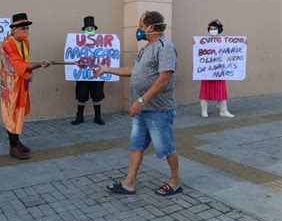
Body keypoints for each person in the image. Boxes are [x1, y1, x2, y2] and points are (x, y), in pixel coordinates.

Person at [95, 11, 182, 196]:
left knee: (166, 147)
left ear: (151, 27)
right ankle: (129, 183)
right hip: (142, 109)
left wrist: (142, 100)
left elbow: (164, 78)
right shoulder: (146, 48)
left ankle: (175, 182)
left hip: (158, 110)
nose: (139, 30)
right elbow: (132, 71)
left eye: (141, 26)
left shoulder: (164, 47)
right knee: (136, 145)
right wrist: (106, 69)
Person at [0, 13, 50, 160]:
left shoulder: (25, 42)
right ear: (13, 29)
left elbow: (25, 63)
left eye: (27, 28)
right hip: (11, 87)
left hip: (22, 82)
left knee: (19, 114)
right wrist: (40, 64)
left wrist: (37, 66)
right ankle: (13, 148)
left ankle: (17, 142)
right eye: (23, 28)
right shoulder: (8, 44)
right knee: (11, 115)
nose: (26, 31)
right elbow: (20, 65)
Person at [71, 16, 106, 125]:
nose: (90, 30)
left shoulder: (102, 42)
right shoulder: (77, 43)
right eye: (87, 28)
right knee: (81, 95)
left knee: (97, 95)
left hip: (96, 74)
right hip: (82, 74)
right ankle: (79, 116)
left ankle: (98, 117)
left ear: (95, 30)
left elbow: (106, 56)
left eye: (92, 28)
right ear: (84, 31)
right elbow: (73, 55)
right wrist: (74, 61)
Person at [199, 19, 235, 118]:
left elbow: (231, 51)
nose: (212, 30)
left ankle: (223, 111)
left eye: (214, 29)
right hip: (207, 70)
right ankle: (204, 110)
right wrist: (195, 43)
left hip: (219, 70)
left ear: (219, 30)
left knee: (221, 89)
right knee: (205, 89)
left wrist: (242, 43)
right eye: (211, 29)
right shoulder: (203, 41)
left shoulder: (224, 41)